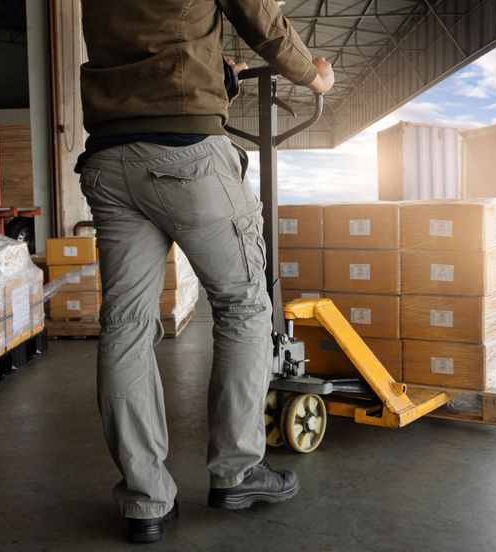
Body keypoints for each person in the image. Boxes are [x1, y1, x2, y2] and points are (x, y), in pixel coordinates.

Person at [77, 0, 334, 544]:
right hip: (186, 154)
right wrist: (315, 75)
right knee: (243, 305)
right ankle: (238, 471)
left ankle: (146, 500)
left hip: (107, 154)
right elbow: (262, 20)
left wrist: (217, 76)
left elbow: (142, 45)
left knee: (125, 326)